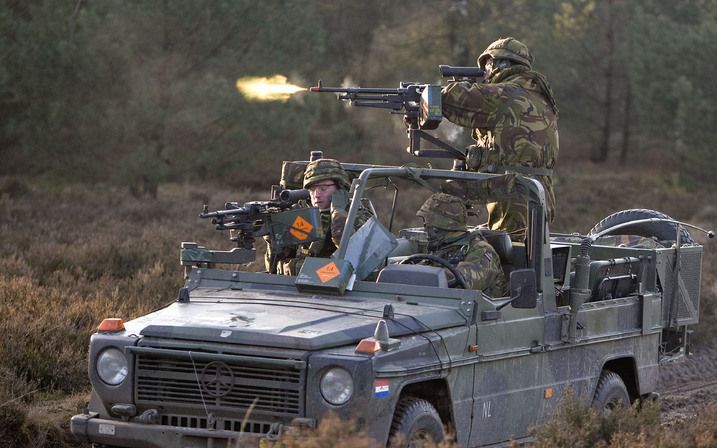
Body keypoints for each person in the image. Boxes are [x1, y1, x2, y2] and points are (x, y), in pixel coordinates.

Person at [441, 37, 559, 241]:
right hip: (535, 198)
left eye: (487, 65)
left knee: (509, 264)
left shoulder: (505, 94)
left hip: (514, 199)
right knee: (527, 259)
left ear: (500, 64)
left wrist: (424, 95)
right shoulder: (537, 95)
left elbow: (452, 99)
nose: (485, 73)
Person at [272, 158, 371, 275]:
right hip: (297, 284)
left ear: (340, 189)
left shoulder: (358, 215)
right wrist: (273, 237)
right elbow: (275, 265)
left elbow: (353, 254)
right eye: (312, 189)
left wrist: (338, 212)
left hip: (335, 285)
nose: (316, 195)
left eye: (323, 188)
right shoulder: (302, 213)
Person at [416, 193, 506, 296]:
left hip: (476, 309)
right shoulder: (441, 246)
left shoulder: (481, 250)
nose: (425, 227)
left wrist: (421, 275)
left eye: (427, 222)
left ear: (438, 227)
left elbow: (464, 282)